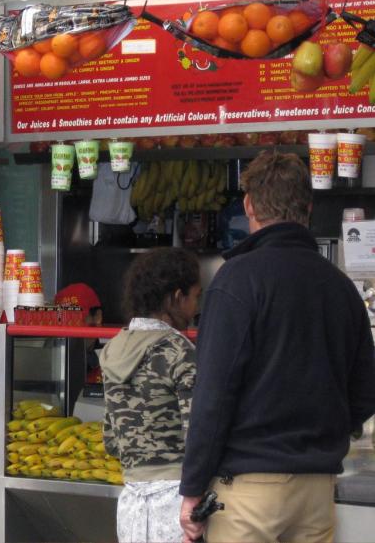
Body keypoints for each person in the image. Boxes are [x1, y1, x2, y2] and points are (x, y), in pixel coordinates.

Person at [179, 151, 375, 543]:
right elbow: (365, 392)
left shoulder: (235, 280)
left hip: (249, 491)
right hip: (317, 491)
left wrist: (192, 489)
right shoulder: (340, 286)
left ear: (249, 205)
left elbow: (214, 395)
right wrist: (328, 436)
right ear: (308, 207)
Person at [100, 247, 201, 543]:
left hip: (131, 504)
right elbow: (197, 433)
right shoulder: (178, 351)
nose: (196, 308)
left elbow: (111, 440)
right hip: (177, 503)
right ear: (176, 296)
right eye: (195, 296)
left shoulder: (112, 349)